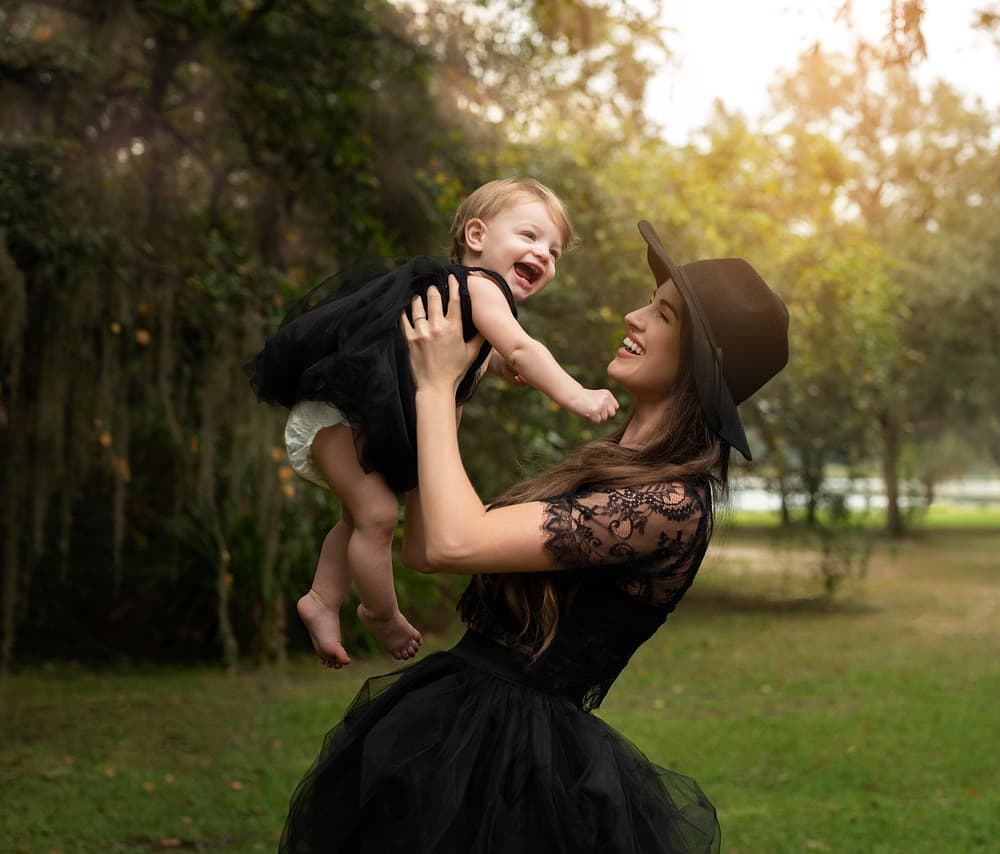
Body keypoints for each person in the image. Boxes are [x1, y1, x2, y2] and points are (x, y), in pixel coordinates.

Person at [277, 221, 789, 853]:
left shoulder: (669, 502)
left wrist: (436, 387)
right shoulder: (608, 466)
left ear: (697, 367)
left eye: (661, 314)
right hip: (454, 716)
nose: (633, 316)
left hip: (517, 771)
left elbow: (452, 546)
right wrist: (440, 392)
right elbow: (422, 546)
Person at [247, 178, 620, 669]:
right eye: (529, 237)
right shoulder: (480, 287)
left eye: (553, 251)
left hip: (354, 424)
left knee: (361, 516)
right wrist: (577, 394)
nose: (544, 255)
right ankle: (379, 612)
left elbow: (487, 355)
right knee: (377, 515)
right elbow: (524, 348)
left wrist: (498, 365)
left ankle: (321, 598)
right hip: (336, 415)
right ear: (476, 236)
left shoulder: (457, 299)